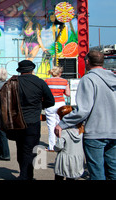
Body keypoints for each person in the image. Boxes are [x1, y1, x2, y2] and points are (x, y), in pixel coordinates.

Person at [55, 50, 116, 180]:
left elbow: (83, 110)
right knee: (112, 171)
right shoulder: (113, 78)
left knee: (97, 172)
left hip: (95, 132)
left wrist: (62, 123)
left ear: (87, 62)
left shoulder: (88, 79)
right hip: (114, 131)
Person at [12, 60, 55, 180]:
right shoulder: (40, 82)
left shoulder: (13, 83)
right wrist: (39, 106)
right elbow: (50, 101)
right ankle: (27, 175)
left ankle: (23, 173)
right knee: (31, 149)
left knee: (20, 148)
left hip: (18, 121)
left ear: (20, 71)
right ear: (32, 69)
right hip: (33, 121)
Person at [54, 105, 85, 180]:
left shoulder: (64, 132)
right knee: (72, 177)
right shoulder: (80, 130)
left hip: (64, 160)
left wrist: (55, 147)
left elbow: (59, 146)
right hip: (77, 158)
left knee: (59, 176)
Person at [44, 66, 70, 151]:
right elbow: (68, 93)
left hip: (50, 104)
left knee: (51, 126)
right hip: (61, 104)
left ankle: (51, 146)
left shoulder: (47, 81)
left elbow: (44, 93)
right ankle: (60, 144)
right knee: (60, 124)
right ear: (60, 73)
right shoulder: (65, 81)